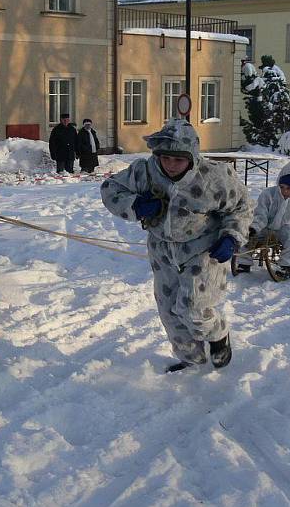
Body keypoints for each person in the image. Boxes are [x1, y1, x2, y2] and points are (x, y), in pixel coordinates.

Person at [100, 118, 251, 373]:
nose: (170, 165)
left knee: (193, 307)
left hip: (203, 251)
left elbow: (241, 207)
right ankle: (192, 360)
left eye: (178, 159)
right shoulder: (145, 172)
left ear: (191, 157)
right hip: (162, 252)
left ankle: (218, 335)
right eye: (165, 158)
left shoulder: (214, 178)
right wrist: (134, 204)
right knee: (170, 311)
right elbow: (110, 189)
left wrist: (231, 236)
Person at [235, 160, 290, 281]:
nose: (284, 191)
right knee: (247, 236)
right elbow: (260, 214)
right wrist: (254, 228)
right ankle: (244, 262)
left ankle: (286, 266)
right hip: (265, 227)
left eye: (289, 188)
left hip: (286, 229)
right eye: (282, 187)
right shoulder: (268, 194)